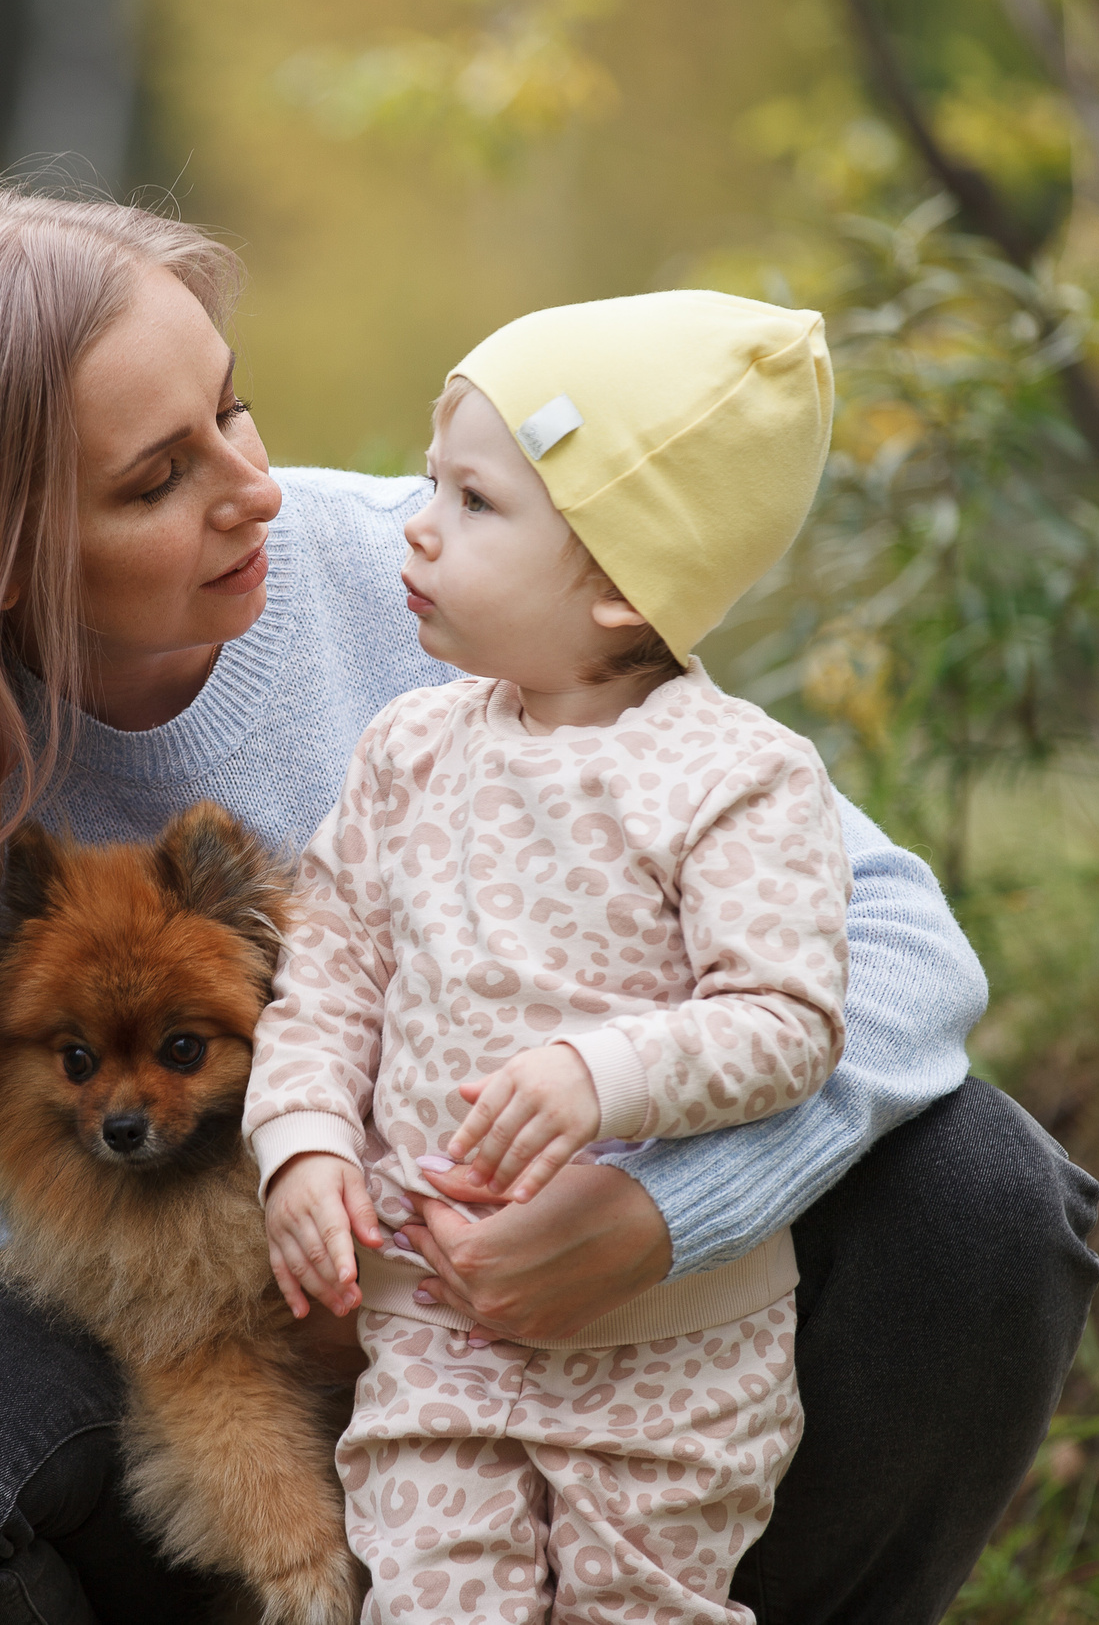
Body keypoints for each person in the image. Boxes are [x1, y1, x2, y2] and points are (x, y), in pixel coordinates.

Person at [0, 184, 1099, 1625]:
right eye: (156, 481)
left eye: (236, 410)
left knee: (980, 1191)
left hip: (583, 1300)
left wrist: (666, 1210)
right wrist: (253, 1305)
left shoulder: (434, 576)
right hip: (175, 1361)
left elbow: (897, 947)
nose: (255, 490)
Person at [251, 290, 849, 1623]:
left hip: (668, 1349)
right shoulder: (408, 753)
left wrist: (604, 1074)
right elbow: (330, 974)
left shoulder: (735, 777)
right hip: (432, 1333)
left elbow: (789, 1017)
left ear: (622, 588)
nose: (415, 525)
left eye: (474, 502)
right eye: (430, 482)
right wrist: (301, 1139)